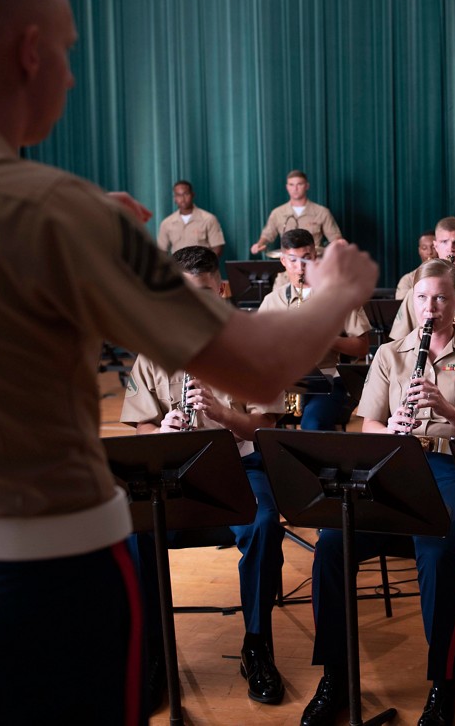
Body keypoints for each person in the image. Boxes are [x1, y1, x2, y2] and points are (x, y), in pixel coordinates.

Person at [0, 0, 378, 724]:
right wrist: (338, 291)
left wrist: (85, 236)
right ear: (31, 50)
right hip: (44, 584)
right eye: (67, 49)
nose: (71, 74)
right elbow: (259, 369)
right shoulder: (50, 211)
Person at [301, 259, 455, 726]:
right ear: (411, 302)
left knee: (438, 550)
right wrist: (389, 431)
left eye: (440, 298)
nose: (430, 307)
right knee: (331, 543)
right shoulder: (390, 354)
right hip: (394, 465)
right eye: (422, 298)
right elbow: (369, 423)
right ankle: (335, 676)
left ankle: (443, 683)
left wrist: (448, 410)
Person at [120, 245, 286, 705]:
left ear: (222, 290)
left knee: (264, 524)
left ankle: (257, 645)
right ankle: (154, 651)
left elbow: (265, 427)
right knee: (135, 532)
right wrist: (162, 430)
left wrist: (222, 414)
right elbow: (140, 425)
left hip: (238, 465)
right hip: (173, 472)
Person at [257, 229, 371, 431]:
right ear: (283, 261)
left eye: (306, 258)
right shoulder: (272, 300)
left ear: (315, 256)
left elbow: (362, 347)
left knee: (313, 425)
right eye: (293, 260)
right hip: (282, 383)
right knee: (257, 426)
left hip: (327, 381)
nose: (300, 267)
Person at [250, 170, 343, 255]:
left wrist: (339, 243)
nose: (295, 188)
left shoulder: (322, 212)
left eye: (299, 184)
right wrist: (260, 244)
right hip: (288, 264)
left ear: (307, 186)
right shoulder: (277, 213)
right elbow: (267, 235)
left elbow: (335, 238)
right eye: (291, 185)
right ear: (287, 187)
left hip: (313, 263)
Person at [156, 180, 225, 256]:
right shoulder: (166, 223)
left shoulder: (209, 219)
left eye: (186, 194)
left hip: (201, 266)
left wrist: (205, 265)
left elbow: (217, 247)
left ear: (192, 195)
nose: (183, 199)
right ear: (174, 198)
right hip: (177, 266)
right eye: (178, 195)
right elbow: (161, 251)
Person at [397, 231, 440, 298]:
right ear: (419, 250)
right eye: (424, 248)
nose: (429, 252)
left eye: (433, 247)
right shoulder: (407, 280)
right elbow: (401, 305)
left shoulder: (451, 276)